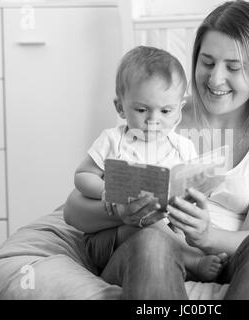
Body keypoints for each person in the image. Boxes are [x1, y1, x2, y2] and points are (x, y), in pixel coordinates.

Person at [64, 0, 249, 299]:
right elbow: (74, 210)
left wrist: (207, 236)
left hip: (221, 259)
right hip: (148, 251)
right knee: (154, 241)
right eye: (207, 62)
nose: (216, 79)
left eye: (233, 67)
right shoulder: (161, 115)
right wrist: (123, 212)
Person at [73, 45, 228, 283]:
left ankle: (180, 259)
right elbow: (82, 175)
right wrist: (105, 192)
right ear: (120, 107)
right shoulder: (113, 140)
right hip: (110, 238)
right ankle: (193, 260)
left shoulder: (183, 147)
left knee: (170, 225)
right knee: (144, 224)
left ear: (179, 110)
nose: (153, 120)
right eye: (142, 109)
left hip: (165, 231)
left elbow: (189, 191)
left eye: (166, 111)